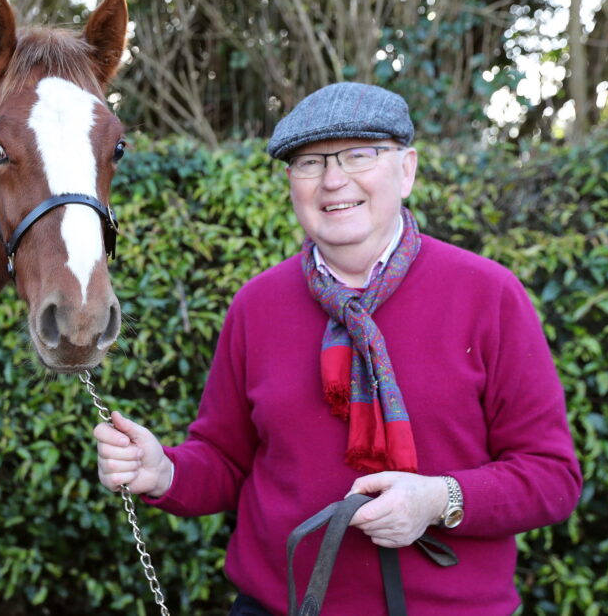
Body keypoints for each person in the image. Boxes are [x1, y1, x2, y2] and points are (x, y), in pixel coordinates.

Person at [93, 82, 582, 615]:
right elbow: (226, 460)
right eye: (309, 162)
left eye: (359, 154)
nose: (332, 180)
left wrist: (438, 500)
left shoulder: (488, 295)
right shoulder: (257, 306)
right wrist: (163, 471)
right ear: (291, 184)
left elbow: (551, 476)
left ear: (407, 170)